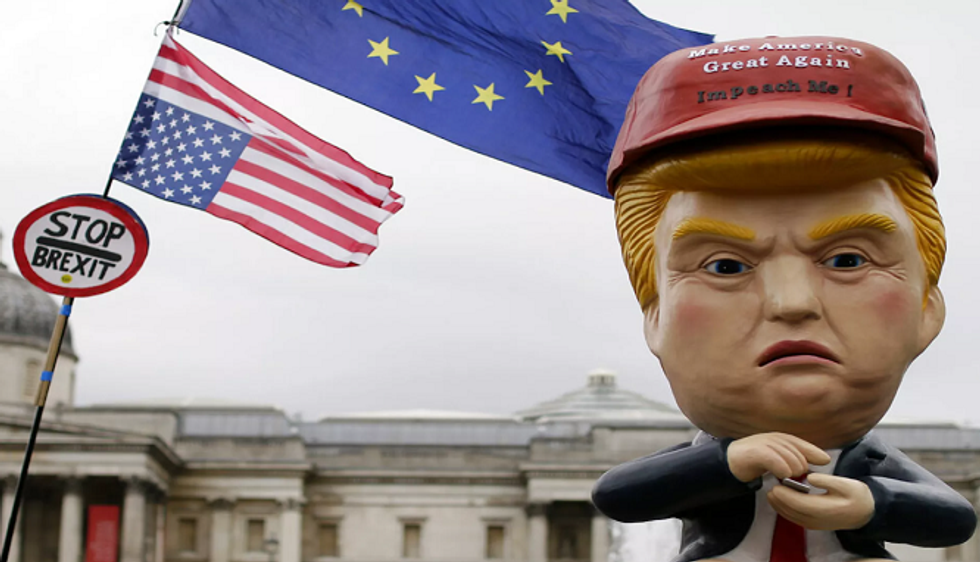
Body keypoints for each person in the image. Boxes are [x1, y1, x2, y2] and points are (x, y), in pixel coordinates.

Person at [590, 36, 977, 562]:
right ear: (654, 316)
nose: (791, 303)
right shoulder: (709, 461)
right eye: (725, 266)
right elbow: (618, 496)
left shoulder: (871, 464)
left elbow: (954, 519)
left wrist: (872, 505)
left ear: (927, 308)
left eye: (848, 260)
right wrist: (728, 464)